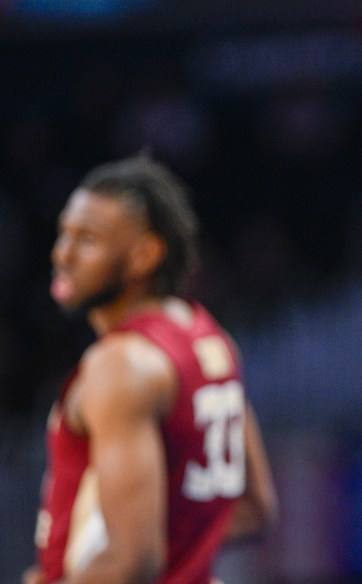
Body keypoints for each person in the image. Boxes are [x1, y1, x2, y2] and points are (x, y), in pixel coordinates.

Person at [23, 155, 278, 584]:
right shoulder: (208, 338)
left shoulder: (121, 363)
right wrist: (184, 556)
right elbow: (253, 508)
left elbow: (132, 563)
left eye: (87, 239)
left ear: (144, 255)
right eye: (63, 233)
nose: (62, 253)